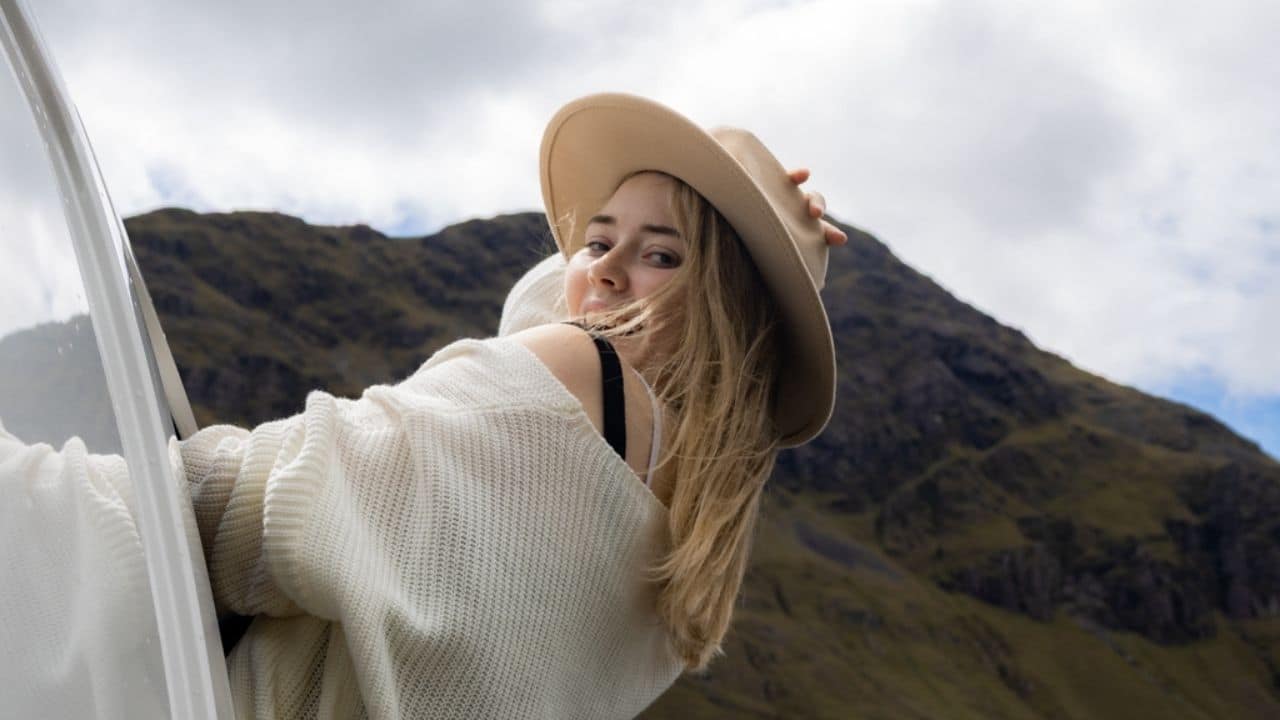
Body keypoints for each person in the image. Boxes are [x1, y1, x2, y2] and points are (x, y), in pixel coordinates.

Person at [2, 92, 846, 719]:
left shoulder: (575, 378)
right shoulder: (677, 565)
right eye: (597, 239)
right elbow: (568, 311)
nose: (604, 269)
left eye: (662, 254)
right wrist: (756, 228)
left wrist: (34, 488)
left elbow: (262, 507)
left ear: (727, 308)